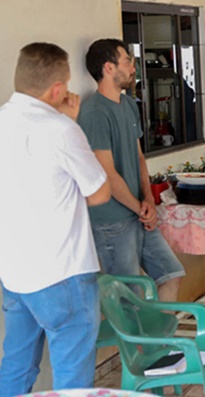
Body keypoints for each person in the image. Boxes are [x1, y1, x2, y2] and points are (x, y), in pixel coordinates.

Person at [0, 42, 111, 394]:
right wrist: (70, 125)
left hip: (15, 273)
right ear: (58, 90)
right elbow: (99, 193)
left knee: (16, 365)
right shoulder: (61, 130)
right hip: (62, 273)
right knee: (72, 378)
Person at [78, 38, 185, 300]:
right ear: (108, 68)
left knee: (172, 275)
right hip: (112, 220)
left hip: (139, 211)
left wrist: (148, 199)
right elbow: (107, 175)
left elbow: (138, 157)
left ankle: (158, 341)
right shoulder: (94, 112)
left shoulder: (127, 105)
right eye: (127, 60)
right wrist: (140, 209)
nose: (133, 67)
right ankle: (139, 343)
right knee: (129, 295)